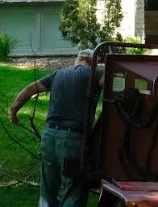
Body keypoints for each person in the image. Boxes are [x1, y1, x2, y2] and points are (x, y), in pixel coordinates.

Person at [9, 49, 96, 207]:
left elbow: (30, 89)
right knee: (74, 188)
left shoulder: (58, 74)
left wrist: (13, 111)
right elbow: (113, 84)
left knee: (48, 188)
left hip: (49, 136)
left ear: (77, 59)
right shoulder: (93, 74)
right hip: (72, 139)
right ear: (93, 62)